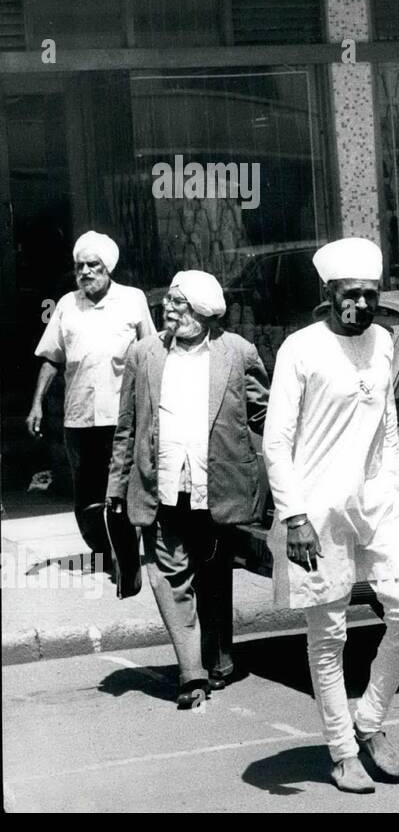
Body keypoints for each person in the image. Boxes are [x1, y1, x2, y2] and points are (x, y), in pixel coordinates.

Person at [262, 237, 399, 794]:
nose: (362, 305)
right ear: (329, 295)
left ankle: (370, 720)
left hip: (378, 501)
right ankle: (341, 749)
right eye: (351, 295)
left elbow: (388, 429)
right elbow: (276, 444)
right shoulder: (298, 350)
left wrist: (397, 496)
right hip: (316, 510)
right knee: (327, 633)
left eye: (371, 294)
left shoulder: (382, 342)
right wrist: (295, 517)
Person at [107, 270, 269, 708]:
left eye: (179, 304)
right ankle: (190, 673)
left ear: (203, 312)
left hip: (219, 486)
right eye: (170, 303)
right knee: (172, 575)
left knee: (214, 573)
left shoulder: (237, 352)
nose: (169, 309)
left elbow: (264, 416)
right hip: (160, 487)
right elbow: (127, 427)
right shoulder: (144, 354)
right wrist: (115, 489)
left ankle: (218, 659)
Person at [28, 232, 154, 568]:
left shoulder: (133, 299)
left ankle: (122, 555)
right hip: (80, 417)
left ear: (108, 268)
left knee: (121, 488)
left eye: (92, 265)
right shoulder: (67, 304)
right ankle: (103, 549)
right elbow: (51, 358)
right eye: (79, 266)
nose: (84, 271)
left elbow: (152, 354)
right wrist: (37, 403)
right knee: (86, 494)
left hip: (123, 416)